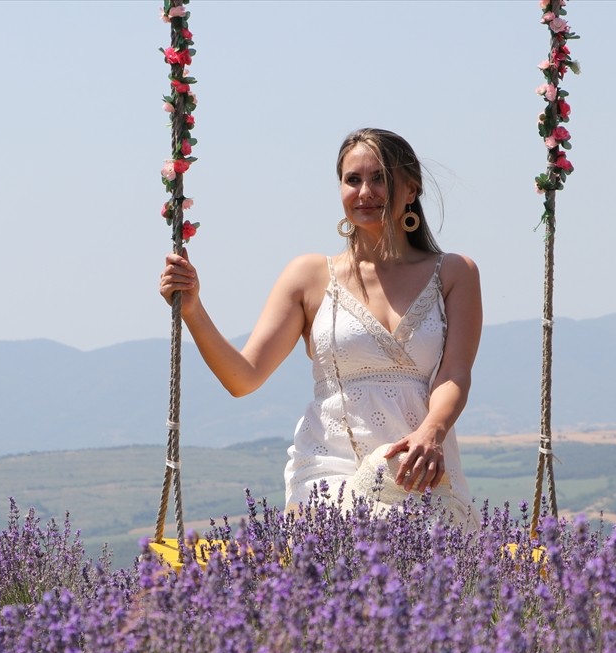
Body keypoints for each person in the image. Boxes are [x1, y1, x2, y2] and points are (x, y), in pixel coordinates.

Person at [159, 128, 481, 521]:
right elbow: (243, 377)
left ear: (411, 189)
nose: (365, 192)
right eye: (353, 179)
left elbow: (454, 374)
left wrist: (432, 431)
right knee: (344, 548)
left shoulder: (454, 273)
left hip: (417, 468)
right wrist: (193, 309)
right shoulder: (309, 276)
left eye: (380, 178)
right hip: (328, 470)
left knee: (431, 554)